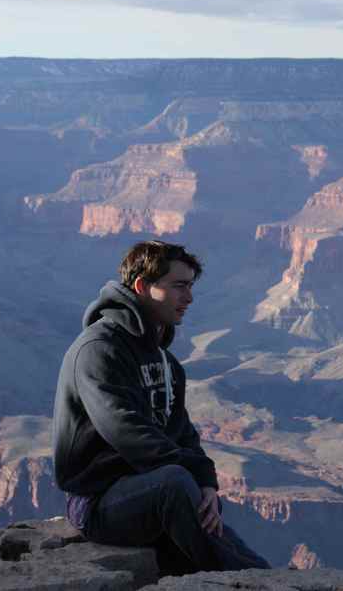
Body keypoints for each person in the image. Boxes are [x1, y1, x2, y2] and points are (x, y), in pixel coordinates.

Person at [52, 240, 271, 577]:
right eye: (179, 286)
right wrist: (193, 475)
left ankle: (256, 575)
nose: (189, 298)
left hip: (147, 489)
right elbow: (127, 433)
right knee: (173, 483)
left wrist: (207, 482)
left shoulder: (165, 362)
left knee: (221, 537)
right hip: (97, 500)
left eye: (190, 286)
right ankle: (232, 580)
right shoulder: (99, 351)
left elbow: (182, 431)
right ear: (142, 286)